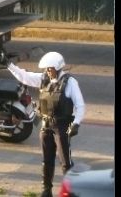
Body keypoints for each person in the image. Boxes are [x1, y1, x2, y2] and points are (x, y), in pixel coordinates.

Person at [7, 51, 85, 197]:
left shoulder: (70, 82)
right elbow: (25, 76)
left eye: (51, 69)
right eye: (47, 69)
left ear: (58, 68)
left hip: (62, 127)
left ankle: (71, 191)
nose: (48, 71)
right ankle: (46, 189)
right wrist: (9, 65)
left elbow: (80, 105)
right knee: (47, 160)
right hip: (46, 125)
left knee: (65, 162)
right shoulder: (43, 79)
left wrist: (76, 124)